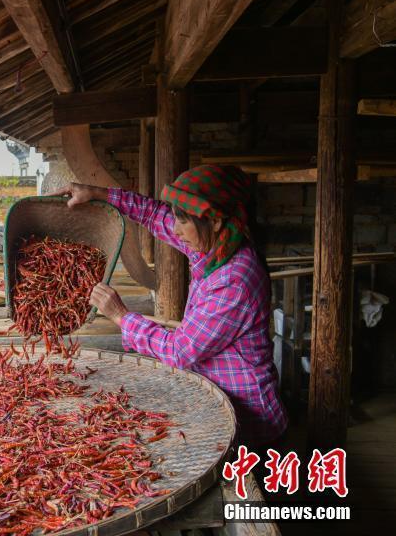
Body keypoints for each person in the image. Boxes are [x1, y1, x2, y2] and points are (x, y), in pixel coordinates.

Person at [52, 164, 287, 445]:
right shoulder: (215, 243)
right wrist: (96, 193)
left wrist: (122, 316)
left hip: (249, 419)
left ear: (214, 220)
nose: (175, 229)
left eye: (182, 220)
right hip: (220, 402)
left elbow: (180, 351)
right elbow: (153, 214)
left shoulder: (235, 278)